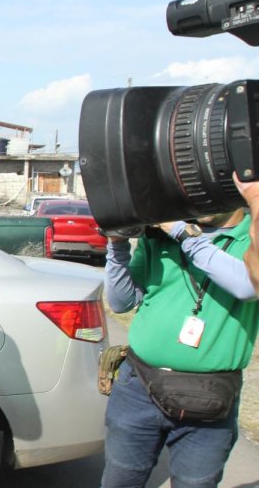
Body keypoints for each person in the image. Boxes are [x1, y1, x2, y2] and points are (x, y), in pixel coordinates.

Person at [101, 204, 258, 487]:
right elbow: (122, 302)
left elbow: (247, 286)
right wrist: (117, 245)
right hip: (138, 387)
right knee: (119, 479)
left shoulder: (252, 236)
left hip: (209, 396)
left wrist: (185, 236)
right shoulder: (160, 236)